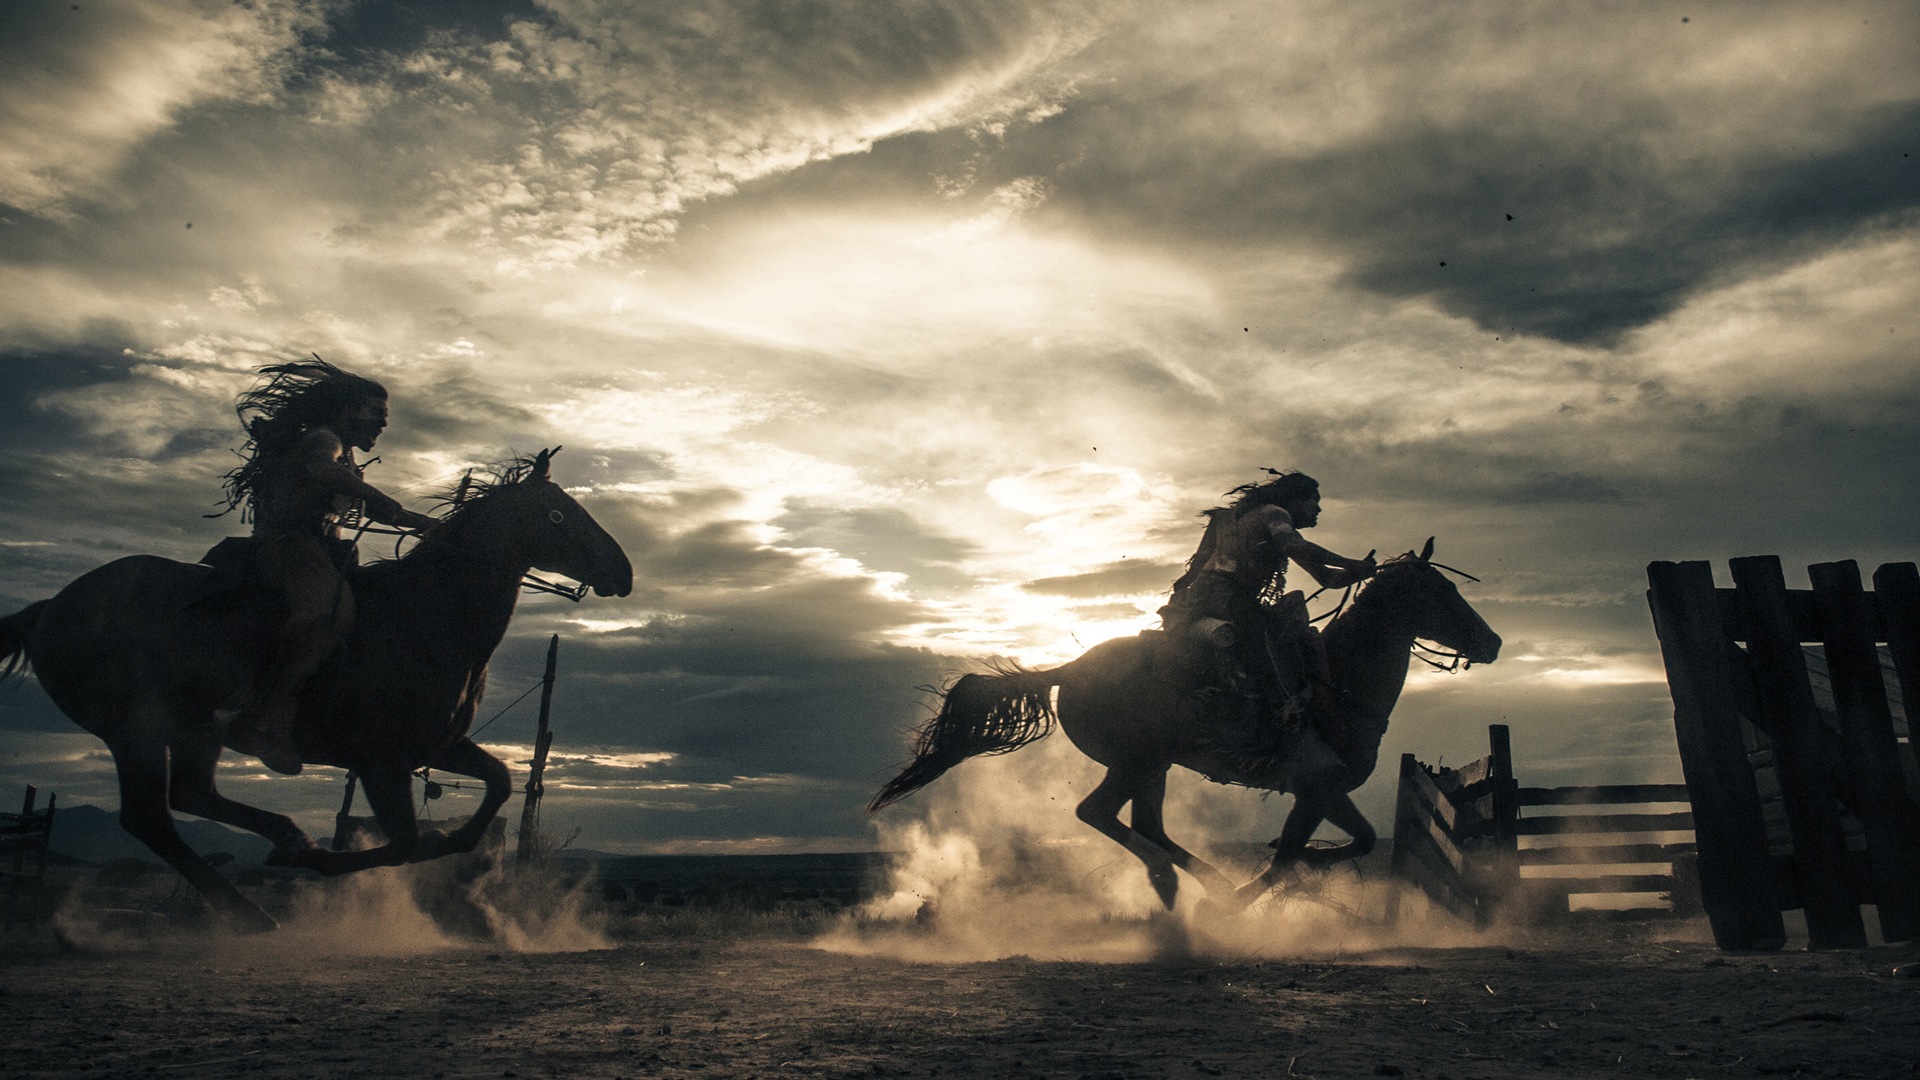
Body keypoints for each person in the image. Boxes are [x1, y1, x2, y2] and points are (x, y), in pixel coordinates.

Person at [210, 358, 437, 774]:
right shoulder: (324, 439)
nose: (382, 425)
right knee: (328, 614)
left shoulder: (342, 452)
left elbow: (364, 498)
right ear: (345, 410)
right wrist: (387, 504)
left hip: (324, 549)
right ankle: (260, 717)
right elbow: (321, 470)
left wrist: (421, 523)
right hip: (290, 546)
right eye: (376, 414)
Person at [1159, 471, 1375, 730]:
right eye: (1313, 501)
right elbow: (1296, 547)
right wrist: (1350, 562)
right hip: (1231, 601)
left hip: (1207, 600)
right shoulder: (1274, 514)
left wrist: (1356, 573)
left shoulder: (1254, 524)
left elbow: (1327, 578)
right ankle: (1276, 714)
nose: (1318, 509)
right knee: (1282, 647)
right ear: (1295, 500)